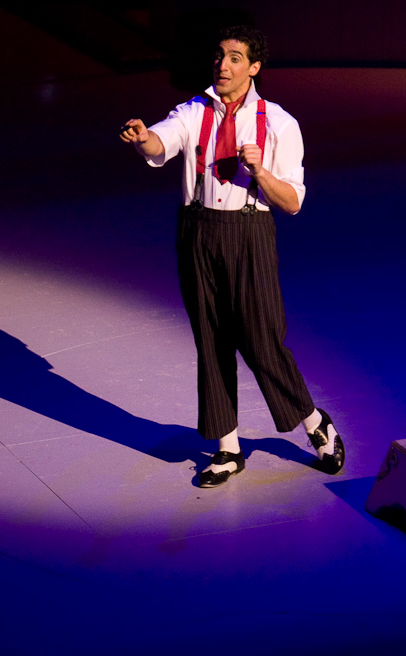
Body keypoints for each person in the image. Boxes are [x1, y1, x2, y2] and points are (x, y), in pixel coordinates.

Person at [119, 25, 344, 488]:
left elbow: (292, 202)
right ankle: (227, 447)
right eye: (219, 55)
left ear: (254, 67)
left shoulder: (279, 123)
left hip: (248, 232)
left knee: (262, 340)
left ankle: (312, 420)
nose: (222, 65)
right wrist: (143, 139)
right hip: (197, 230)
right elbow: (161, 142)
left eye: (235, 58)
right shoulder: (192, 111)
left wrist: (259, 171)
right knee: (211, 338)